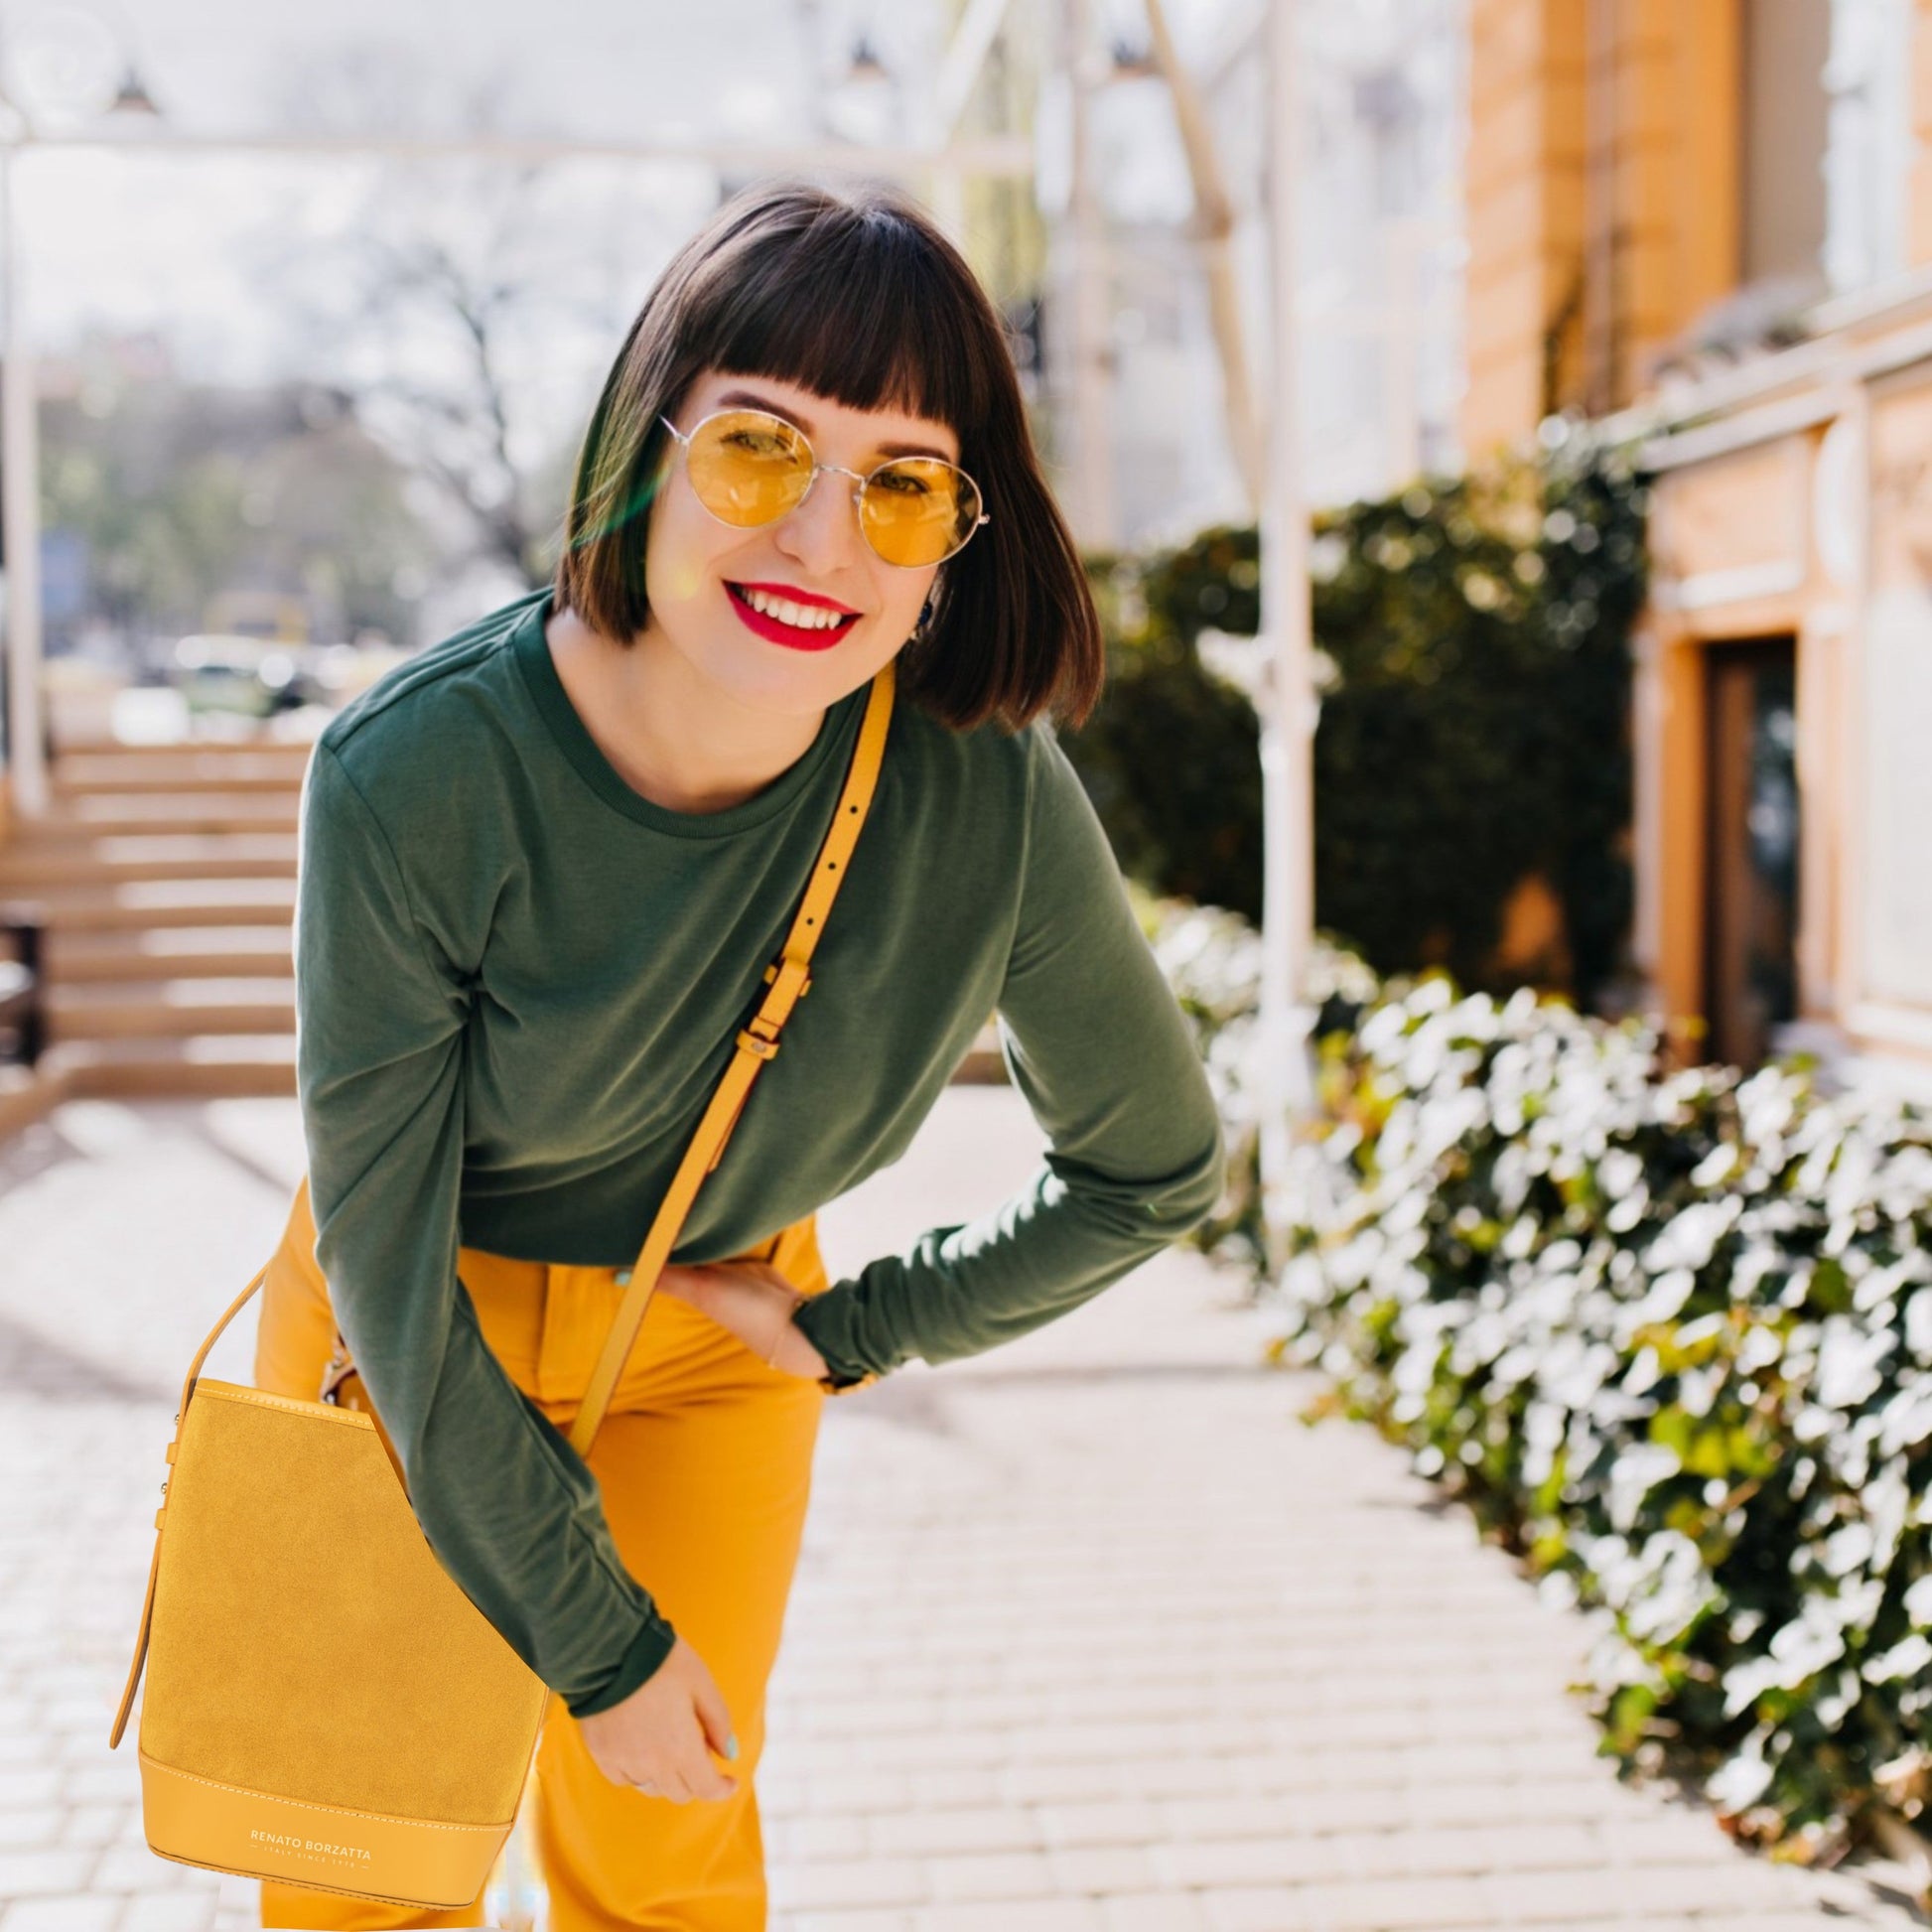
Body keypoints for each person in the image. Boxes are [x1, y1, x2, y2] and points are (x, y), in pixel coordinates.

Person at [253, 176, 1227, 1932]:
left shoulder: (983, 791)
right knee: (363, 1866)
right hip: (402, 1336)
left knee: (667, 1860)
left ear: (956, 539)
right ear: (645, 450)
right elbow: (391, 1294)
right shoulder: (413, 776)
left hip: (705, 1347)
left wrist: (863, 1325)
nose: (822, 541)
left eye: (900, 483)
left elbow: (1152, 1165)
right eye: (761, 450)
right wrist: (601, 1644)